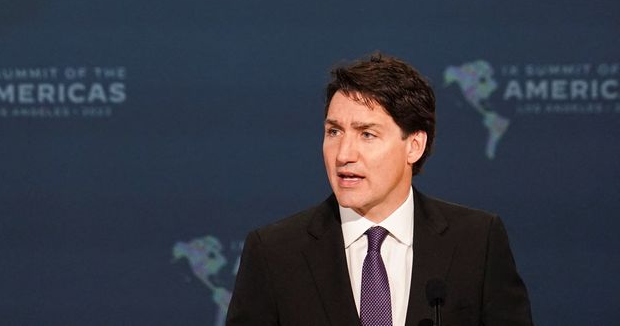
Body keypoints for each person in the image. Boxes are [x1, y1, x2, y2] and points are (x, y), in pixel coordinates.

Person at [226, 53, 533, 326]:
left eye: (367, 134)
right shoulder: (275, 252)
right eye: (333, 131)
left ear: (413, 145)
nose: (343, 153)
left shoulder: (477, 242)